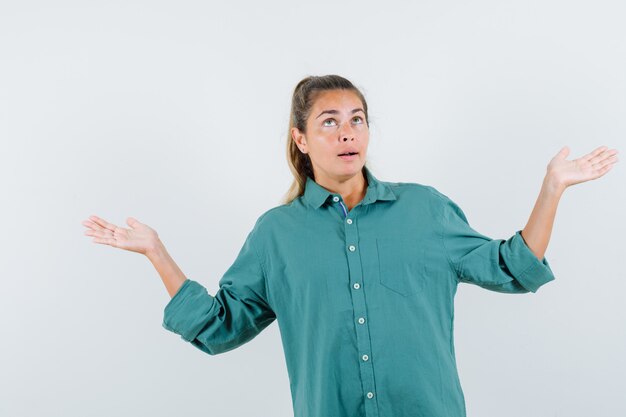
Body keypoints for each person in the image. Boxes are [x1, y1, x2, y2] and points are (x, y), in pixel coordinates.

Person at [82, 75, 619, 417]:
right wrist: (157, 252)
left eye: (357, 120)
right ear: (301, 138)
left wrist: (552, 189)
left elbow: (514, 269)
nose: (347, 134)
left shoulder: (425, 209)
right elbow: (220, 328)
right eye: (330, 121)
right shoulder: (276, 234)